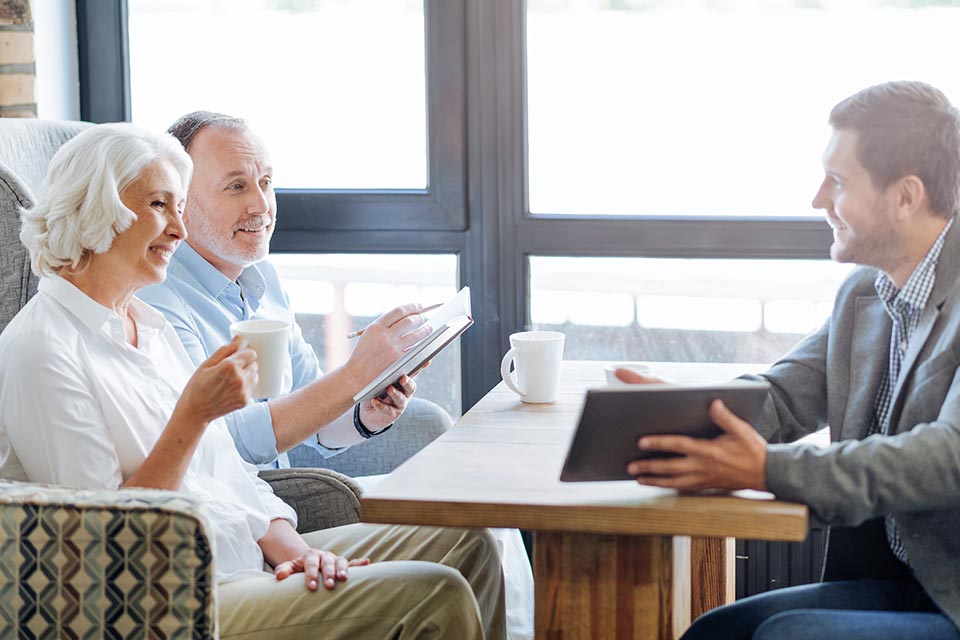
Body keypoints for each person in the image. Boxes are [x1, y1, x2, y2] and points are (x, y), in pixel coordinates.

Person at [0, 122, 503, 639]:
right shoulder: (42, 350)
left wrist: (300, 552)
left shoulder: (144, 326)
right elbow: (114, 545)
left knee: (471, 547)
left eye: (178, 207)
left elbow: (230, 472)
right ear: (95, 211)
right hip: (183, 599)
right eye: (159, 206)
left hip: (251, 559)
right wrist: (193, 417)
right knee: (435, 593)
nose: (178, 228)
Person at [140, 111, 531, 640]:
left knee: (476, 491)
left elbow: (313, 414)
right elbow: (220, 442)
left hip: (278, 484)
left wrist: (364, 410)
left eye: (266, 181)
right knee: (472, 519)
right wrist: (351, 377)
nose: (261, 205)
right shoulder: (157, 297)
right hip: (258, 498)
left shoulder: (262, 279)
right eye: (236, 186)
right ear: (182, 202)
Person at [620, 80, 960, 639]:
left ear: (906, 196)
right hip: (901, 581)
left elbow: (944, 458)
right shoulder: (866, 296)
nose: (818, 199)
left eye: (839, 182)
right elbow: (785, 394)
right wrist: (681, 415)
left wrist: (768, 469)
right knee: (714, 634)